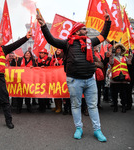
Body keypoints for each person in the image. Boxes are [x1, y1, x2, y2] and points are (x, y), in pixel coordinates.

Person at [37, 11, 111, 142]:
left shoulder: (90, 42)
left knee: (92, 106)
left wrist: (107, 22)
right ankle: (79, 128)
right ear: (77, 31)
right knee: (76, 106)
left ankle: (97, 130)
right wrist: (43, 26)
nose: (86, 31)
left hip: (90, 80)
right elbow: (51, 40)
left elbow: (103, 36)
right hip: (74, 80)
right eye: (84, 29)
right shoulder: (67, 43)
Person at [109, 43, 131, 113]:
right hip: (115, 78)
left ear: (122, 50)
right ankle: (115, 106)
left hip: (124, 78)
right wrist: (112, 54)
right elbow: (111, 62)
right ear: (115, 50)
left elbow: (129, 63)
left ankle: (123, 107)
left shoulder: (125, 58)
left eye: (120, 49)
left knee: (123, 94)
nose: (118, 50)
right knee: (114, 94)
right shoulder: (113, 57)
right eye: (117, 49)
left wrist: (130, 55)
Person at [36, 48, 52, 112]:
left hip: (47, 78)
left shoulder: (49, 59)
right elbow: (35, 66)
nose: (41, 54)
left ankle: (47, 104)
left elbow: (52, 67)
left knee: (46, 92)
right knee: (40, 92)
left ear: (46, 54)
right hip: (39, 78)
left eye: (42, 53)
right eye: (40, 53)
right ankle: (41, 106)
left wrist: (45, 67)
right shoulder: (37, 60)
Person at [50, 49, 64, 113]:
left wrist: (58, 63)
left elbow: (63, 67)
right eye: (57, 50)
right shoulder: (53, 58)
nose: (57, 51)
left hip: (60, 78)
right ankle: (56, 106)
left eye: (59, 51)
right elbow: (50, 66)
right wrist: (54, 63)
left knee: (59, 93)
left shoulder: (63, 58)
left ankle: (60, 107)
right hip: (53, 77)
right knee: (55, 93)